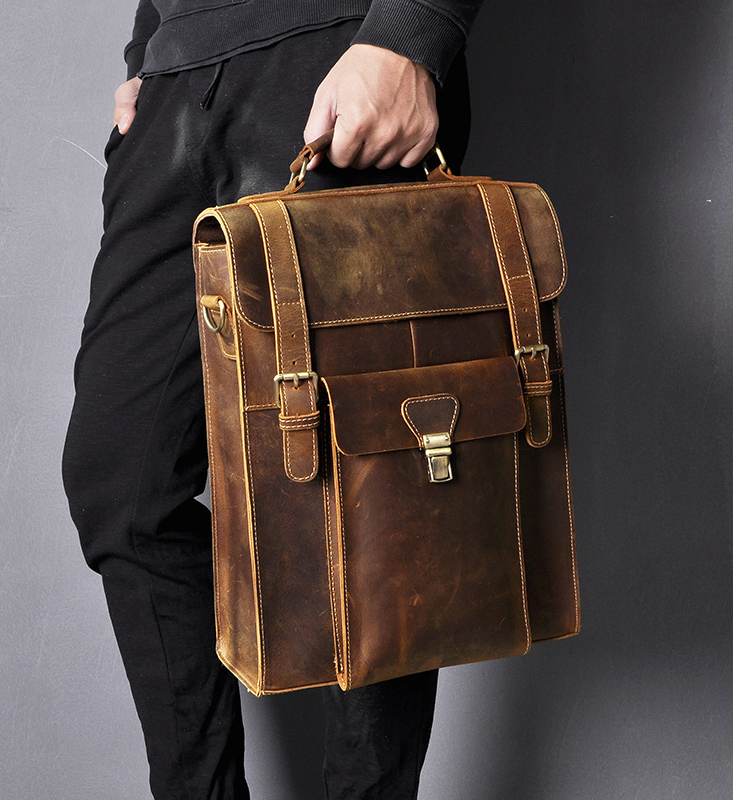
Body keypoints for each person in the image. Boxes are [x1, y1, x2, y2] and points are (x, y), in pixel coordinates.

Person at [63, 2, 482, 798]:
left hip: (339, 56)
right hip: (178, 87)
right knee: (120, 483)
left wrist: (412, 30)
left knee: (365, 488)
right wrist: (146, 52)